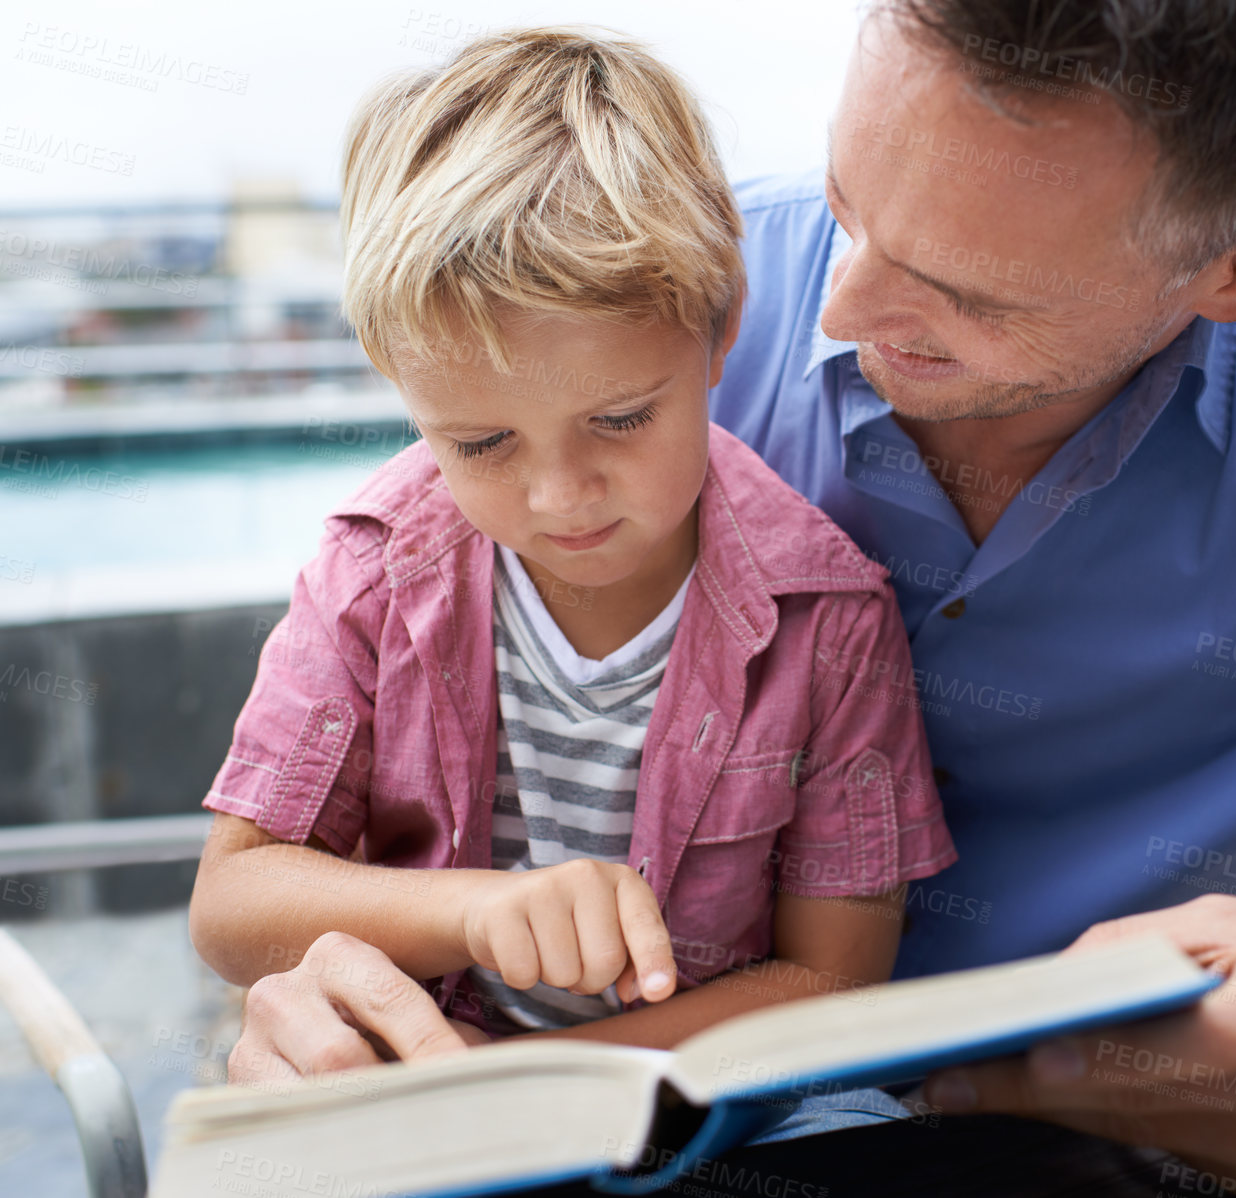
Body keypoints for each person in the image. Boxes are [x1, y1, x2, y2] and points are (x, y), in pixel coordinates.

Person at [227, 2, 1236, 1192]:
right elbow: (302, 830)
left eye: (962, 294)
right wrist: (339, 995)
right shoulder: (646, 305)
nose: (827, 315)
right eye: (849, 198)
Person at [189, 27, 955, 1052]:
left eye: (620, 419)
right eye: (481, 441)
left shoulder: (829, 619)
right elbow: (232, 902)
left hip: (725, 1113)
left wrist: (539, 1079)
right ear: (397, 379)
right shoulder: (369, 571)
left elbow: (833, 975)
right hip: (422, 1073)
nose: (558, 496)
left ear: (721, 323)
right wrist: (476, 913)